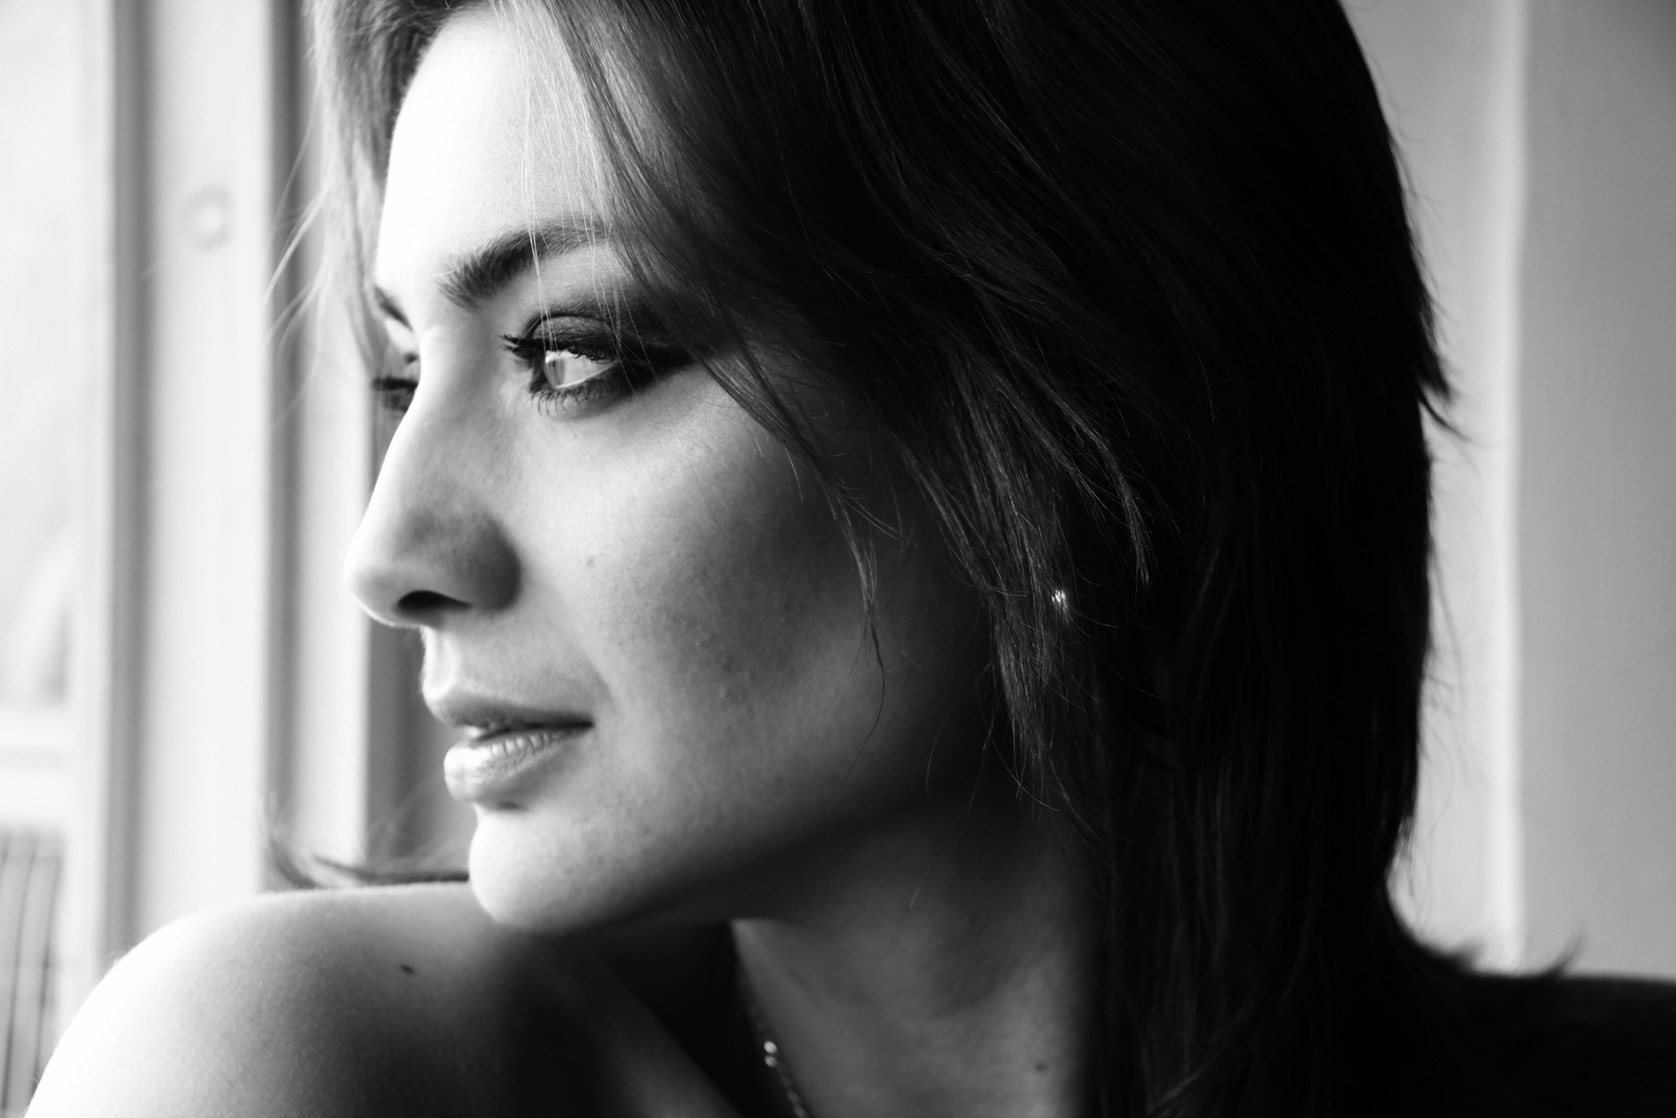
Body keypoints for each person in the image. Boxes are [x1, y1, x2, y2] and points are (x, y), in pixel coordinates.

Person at [28, 1, 1676, 1115]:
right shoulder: (289, 1070)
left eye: (575, 354)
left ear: (1076, 422)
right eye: (406, 373)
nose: (391, 551)